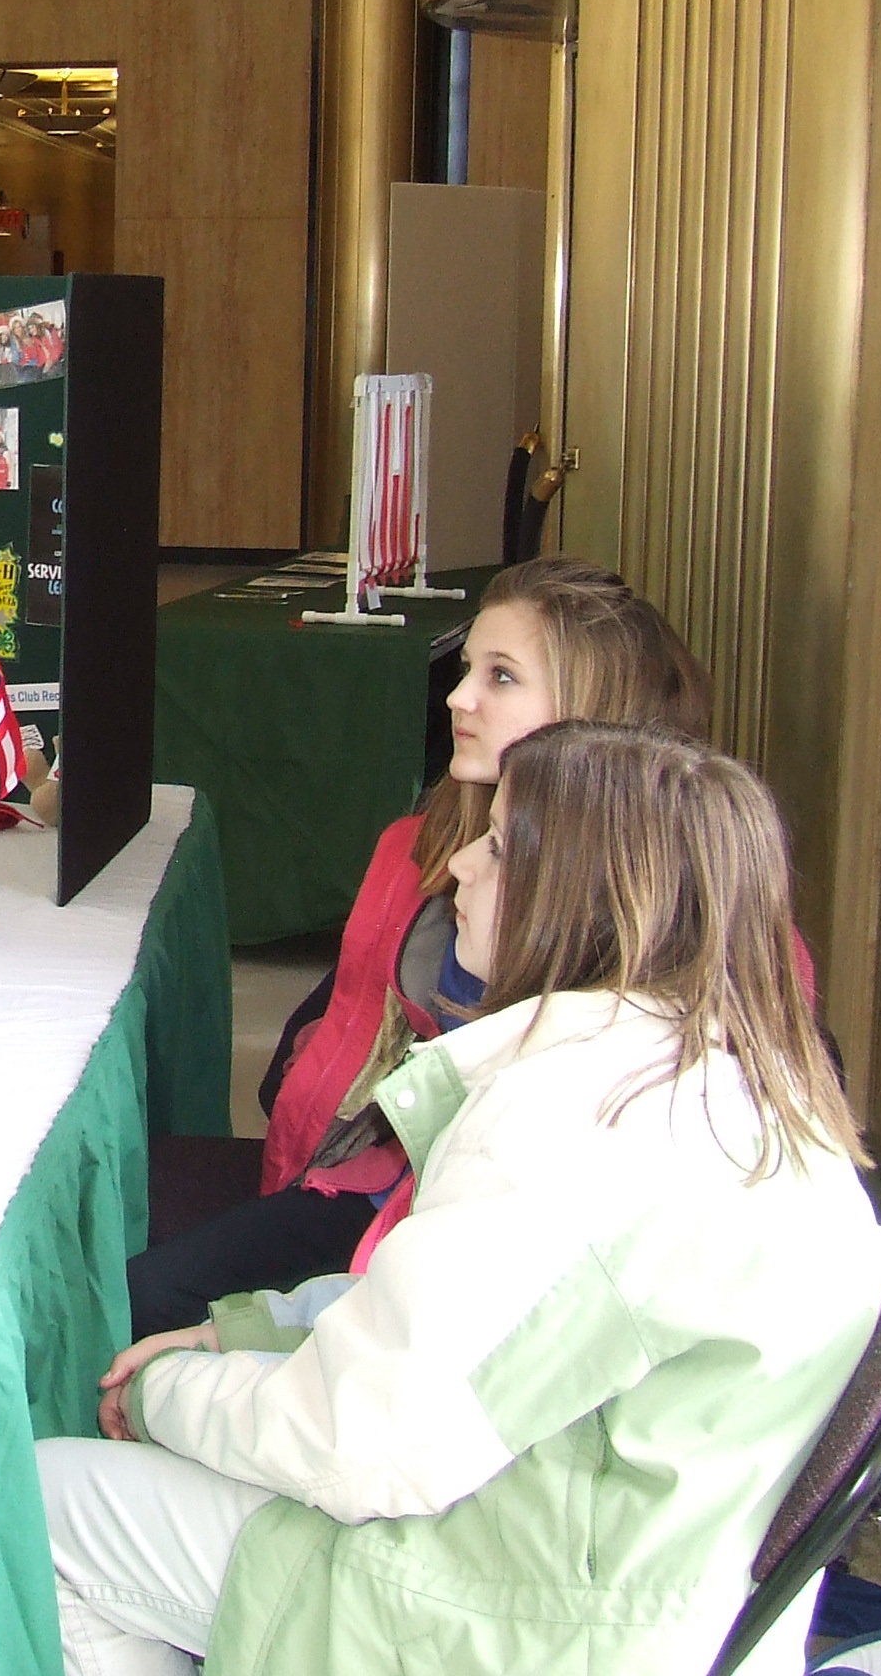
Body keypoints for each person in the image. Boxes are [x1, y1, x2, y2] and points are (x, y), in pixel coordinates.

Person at [42, 721, 881, 1675]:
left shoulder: (572, 1117)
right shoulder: (736, 1080)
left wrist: (163, 1397)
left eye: (500, 843)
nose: (462, 868)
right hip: (617, 1576)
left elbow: (362, 1447)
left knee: (38, 1505)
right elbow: (469, 1343)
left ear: (579, 895)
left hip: (509, 1619)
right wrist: (236, 1338)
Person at [128, 557, 711, 1338]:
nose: (458, 698)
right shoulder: (422, 842)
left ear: (588, 719)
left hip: (460, 1242)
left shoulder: (669, 906)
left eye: (502, 678)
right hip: (355, 1186)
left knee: (143, 1299)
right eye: (470, 668)